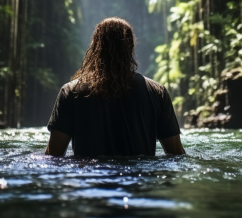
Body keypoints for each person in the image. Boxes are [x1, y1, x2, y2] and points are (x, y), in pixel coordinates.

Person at [45, 17, 185, 157]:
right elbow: (176, 154)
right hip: (140, 178)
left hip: (91, 177)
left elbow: (54, 155)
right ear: (130, 47)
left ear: (95, 47)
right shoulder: (157, 92)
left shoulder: (71, 92)